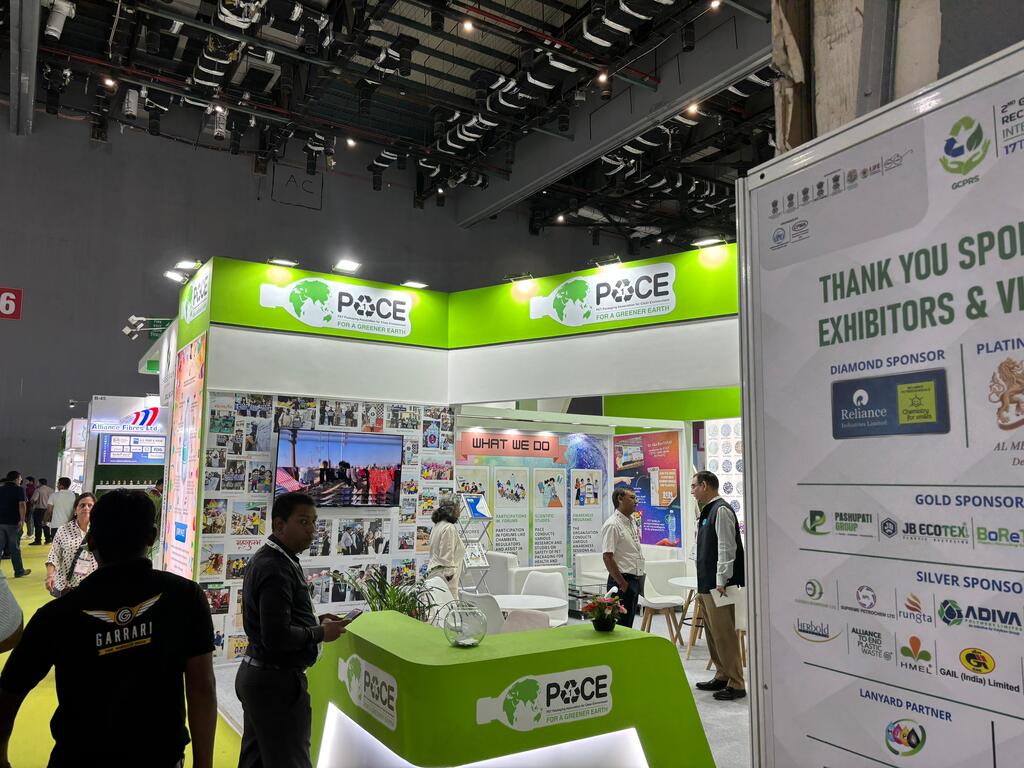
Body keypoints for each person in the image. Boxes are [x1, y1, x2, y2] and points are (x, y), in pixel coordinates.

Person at [0, 489, 216, 767]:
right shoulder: (185, 597)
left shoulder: (57, 615)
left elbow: (9, 692)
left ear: (91, 541)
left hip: (78, 757)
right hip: (159, 756)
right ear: (151, 537)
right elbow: (202, 687)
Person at [236, 492, 351, 768]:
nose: (312, 529)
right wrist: (320, 633)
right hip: (276, 685)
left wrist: (314, 621)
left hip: (261, 678)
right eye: (303, 522)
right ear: (279, 525)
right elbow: (276, 636)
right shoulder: (275, 567)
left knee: (256, 761)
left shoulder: (275, 558)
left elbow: (275, 620)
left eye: (314, 521)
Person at [691, 470, 746, 701]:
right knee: (713, 635)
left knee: (724, 634)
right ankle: (722, 674)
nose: (692, 491)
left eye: (694, 486)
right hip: (706, 584)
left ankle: (737, 682)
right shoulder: (707, 510)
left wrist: (722, 579)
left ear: (705, 485)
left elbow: (726, 548)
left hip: (719, 586)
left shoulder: (721, 510)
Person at [601, 487, 645, 627]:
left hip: (634, 580)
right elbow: (607, 557)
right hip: (621, 581)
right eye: (632, 497)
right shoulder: (613, 524)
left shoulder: (631, 521)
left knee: (628, 625)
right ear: (620, 499)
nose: (636, 501)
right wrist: (622, 583)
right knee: (620, 627)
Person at [44, 493, 98, 596]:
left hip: (92, 585)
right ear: (75, 510)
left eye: (90, 505)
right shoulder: (63, 530)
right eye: (82, 505)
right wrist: (50, 576)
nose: (86, 508)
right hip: (67, 585)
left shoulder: (101, 530)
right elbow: (54, 555)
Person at [426, 497, 464, 599]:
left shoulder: (438, 525)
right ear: (452, 510)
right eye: (458, 508)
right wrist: (449, 576)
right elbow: (446, 556)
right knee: (447, 607)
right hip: (445, 580)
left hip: (436, 575)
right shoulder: (448, 528)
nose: (459, 512)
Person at [0, 473, 30, 579]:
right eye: (20, 478)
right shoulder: (19, 489)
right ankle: (19, 571)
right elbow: (22, 504)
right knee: (15, 548)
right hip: (13, 523)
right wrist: (22, 520)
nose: (21, 480)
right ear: (16, 479)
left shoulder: (1, 489)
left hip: (1, 522)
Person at [45, 477, 76, 545]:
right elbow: (74, 510)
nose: (57, 485)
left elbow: (49, 511)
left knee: (57, 546)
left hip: (56, 525)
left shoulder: (54, 495)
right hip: (68, 525)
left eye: (58, 484)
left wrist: (45, 520)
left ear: (61, 485)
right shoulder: (73, 495)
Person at [28, 479, 54, 545]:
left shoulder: (38, 490)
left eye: (37, 482)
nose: (37, 483)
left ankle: (38, 540)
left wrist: (32, 503)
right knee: (46, 525)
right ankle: (48, 539)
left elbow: (34, 499)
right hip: (48, 510)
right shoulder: (51, 490)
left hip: (39, 510)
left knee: (38, 526)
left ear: (40, 483)